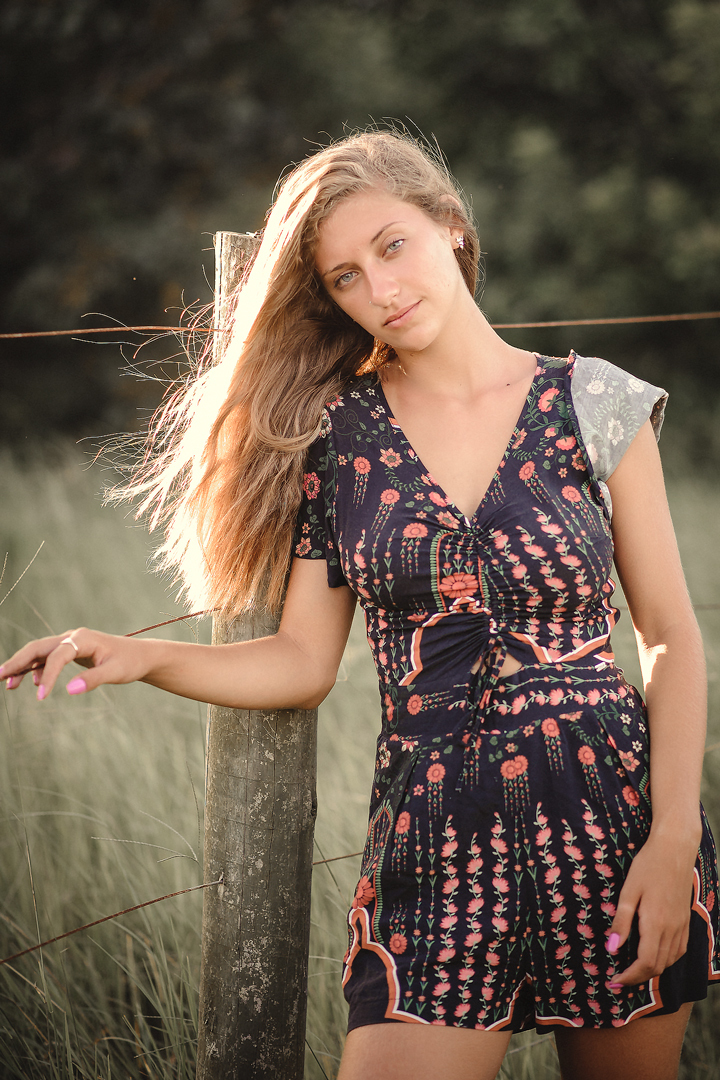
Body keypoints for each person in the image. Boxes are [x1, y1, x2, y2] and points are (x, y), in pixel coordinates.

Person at [1, 130, 717, 1080]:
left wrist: (672, 842)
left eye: (392, 246)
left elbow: (667, 636)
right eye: (344, 276)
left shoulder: (596, 403)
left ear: (451, 230)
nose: (379, 288)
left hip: (611, 821)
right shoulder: (339, 439)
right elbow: (302, 661)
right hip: (436, 837)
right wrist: (140, 655)